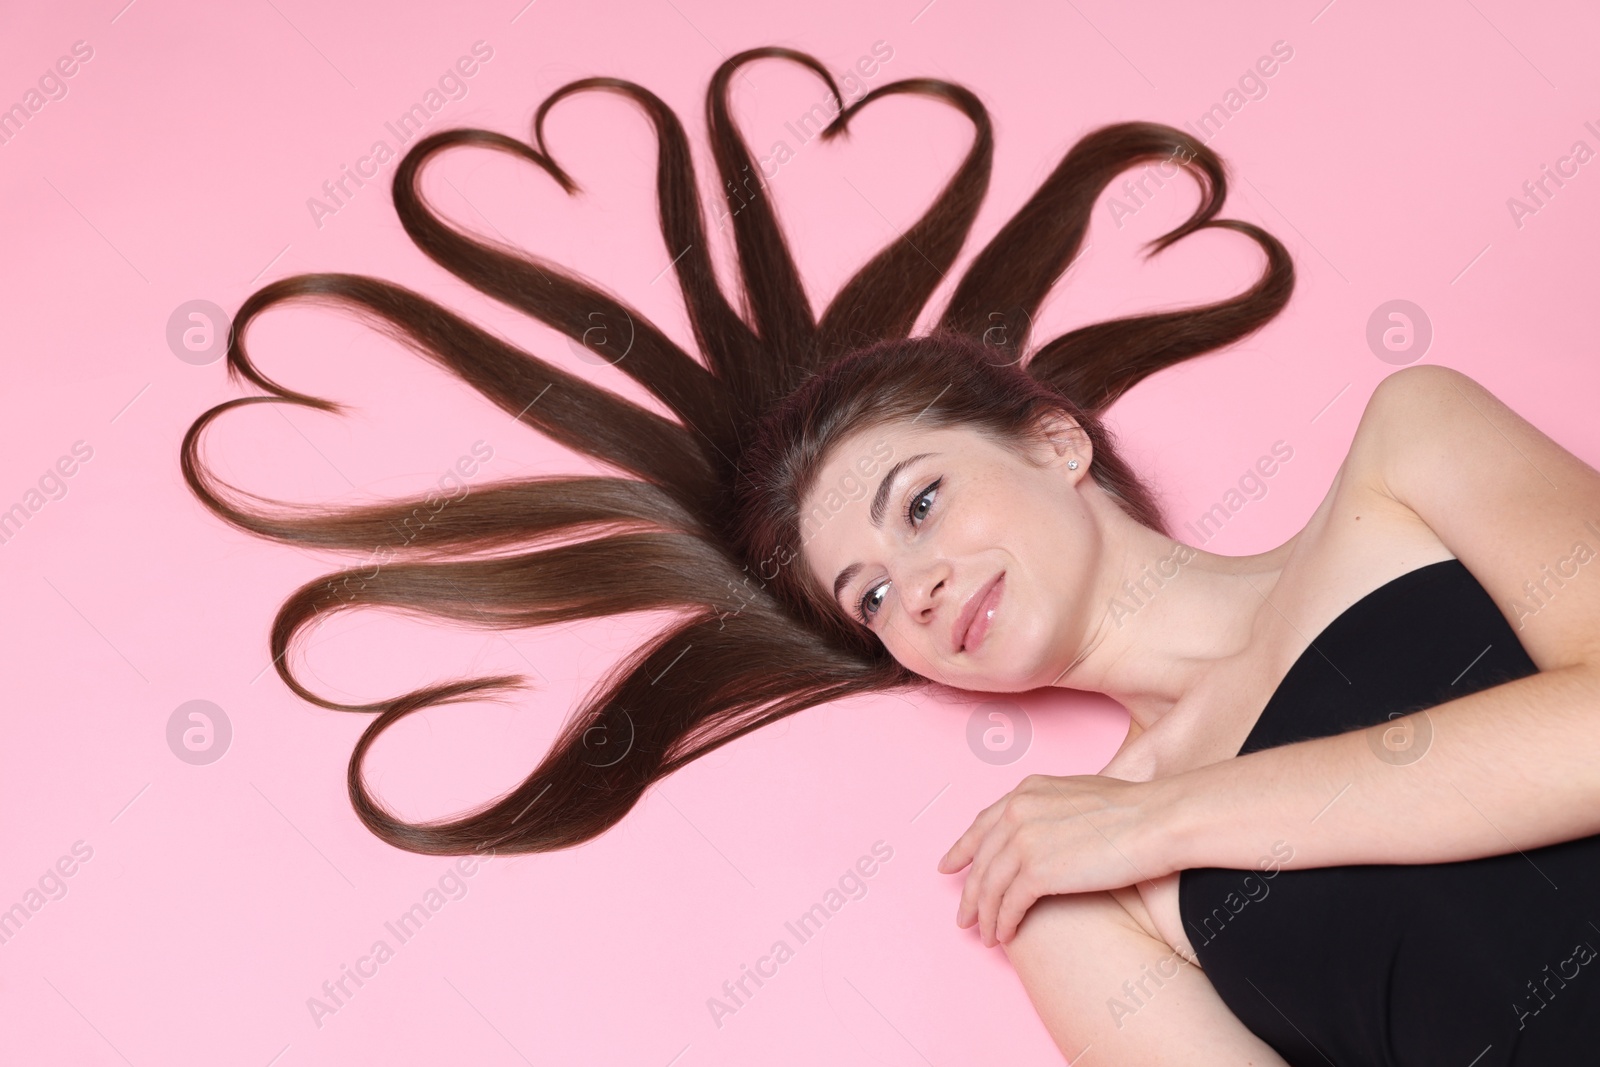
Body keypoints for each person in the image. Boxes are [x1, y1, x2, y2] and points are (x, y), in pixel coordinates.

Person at [179, 45, 1600, 1064]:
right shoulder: (1059, 884)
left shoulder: (1410, 460)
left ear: (1055, 441)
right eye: (868, 598)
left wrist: (1174, 820)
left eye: (918, 505)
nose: (910, 588)